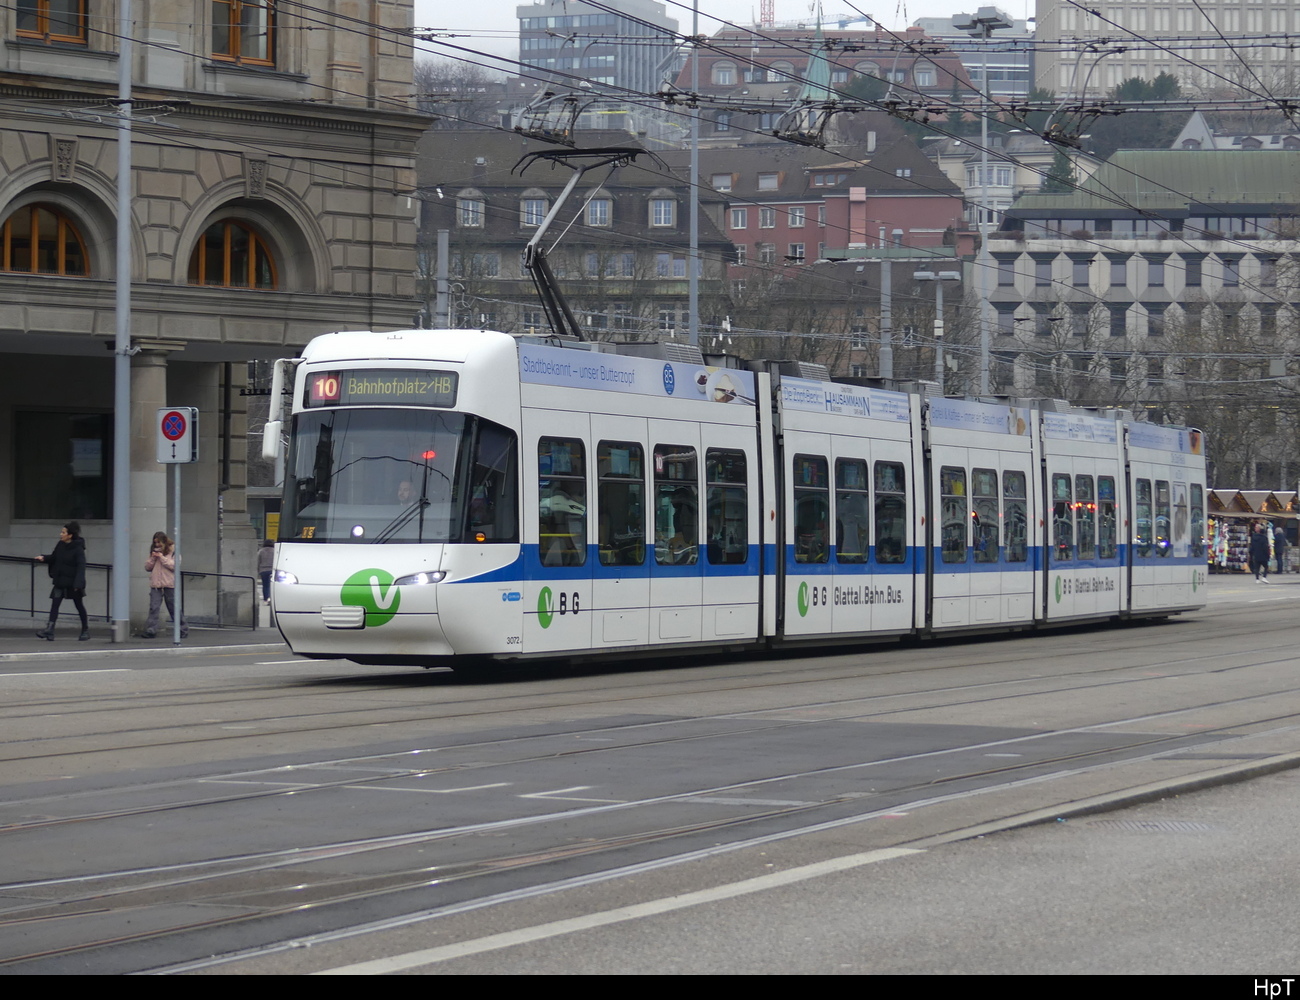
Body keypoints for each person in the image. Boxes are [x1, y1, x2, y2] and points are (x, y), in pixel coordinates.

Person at [34, 521, 89, 641]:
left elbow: (81, 566)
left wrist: (78, 584)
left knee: (79, 605)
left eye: (63, 532)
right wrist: (44, 558)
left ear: (70, 535)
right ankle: (50, 630)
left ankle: (85, 629)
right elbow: (54, 557)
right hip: (60, 581)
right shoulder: (60, 545)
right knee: (55, 604)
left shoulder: (78, 549)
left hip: (73, 583)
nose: (61, 534)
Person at [143, 531, 188, 638]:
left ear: (164, 542)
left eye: (159, 542)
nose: (157, 545)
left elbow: (174, 566)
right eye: (155, 543)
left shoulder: (173, 552)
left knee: (174, 607)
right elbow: (147, 567)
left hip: (169, 584)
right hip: (156, 585)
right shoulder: (153, 552)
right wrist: (153, 558)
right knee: (154, 608)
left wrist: (162, 557)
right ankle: (151, 630)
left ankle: (182, 629)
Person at [257, 538, 274, 604]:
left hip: (263, 570)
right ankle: (271, 598)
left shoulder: (261, 551)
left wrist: (258, 570)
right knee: (271, 585)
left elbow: (258, 561)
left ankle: (266, 599)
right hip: (272, 570)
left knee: (265, 585)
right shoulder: (274, 551)